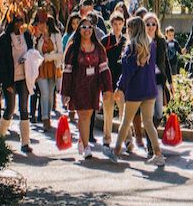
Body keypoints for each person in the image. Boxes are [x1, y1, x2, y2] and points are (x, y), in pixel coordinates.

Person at [105, 17, 165, 166]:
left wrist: (119, 88)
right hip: (150, 89)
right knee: (149, 123)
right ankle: (158, 154)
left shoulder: (131, 47)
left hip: (135, 90)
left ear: (132, 29)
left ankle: (116, 151)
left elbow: (127, 73)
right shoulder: (150, 45)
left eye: (127, 28)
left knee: (125, 121)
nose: (126, 31)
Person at [61, 16, 113, 160]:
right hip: (78, 85)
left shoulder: (99, 48)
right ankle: (86, 146)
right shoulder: (73, 48)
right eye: (83, 27)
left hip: (93, 86)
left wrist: (107, 89)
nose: (87, 30)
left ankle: (81, 141)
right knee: (82, 115)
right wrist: (65, 92)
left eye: (89, 27)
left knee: (88, 115)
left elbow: (104, 68)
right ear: (79, 30)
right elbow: (67, 71)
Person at [0, 14, 34, 152]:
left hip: (24, 77)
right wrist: (6, 83)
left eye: (21, 21)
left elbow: (32, 52)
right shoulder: (3, 39)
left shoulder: (27, 36)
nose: (19, 24)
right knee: (10, 108)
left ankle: (25, 142)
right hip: (10, 79)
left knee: (24, 108)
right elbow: (1, 63)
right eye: (16, 21)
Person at [102, 12, 134, 150]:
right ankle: (106, 139)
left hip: (121, 83)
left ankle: (128, 139)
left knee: (124, 113)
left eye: (120, 24)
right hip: (108, 81)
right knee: (108, 112)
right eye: (115, 24)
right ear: (111, 24)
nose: (117, 26)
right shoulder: (105, 40)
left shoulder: (126, 41)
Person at [34, 15, 63, 132]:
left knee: (50, 94)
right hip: (41, 68)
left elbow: (60, 54)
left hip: (53, 67)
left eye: (43, 23)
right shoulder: (38, 36)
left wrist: (48, 57)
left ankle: (48, 115)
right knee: (44, 92)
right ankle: (44, 119)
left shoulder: (56, 36)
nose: (40, 25)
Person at [144, 13, 171, 130]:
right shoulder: (141, 41)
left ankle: (151, 134)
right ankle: (151, 141)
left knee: (159, 113)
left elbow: (166, 62)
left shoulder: (161, 41)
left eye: (153, 24)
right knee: (148, 114)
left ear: (157, 26)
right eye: (148, 24)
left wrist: (171, 82)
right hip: (145, 81)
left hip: (158, 80)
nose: (151, 27)